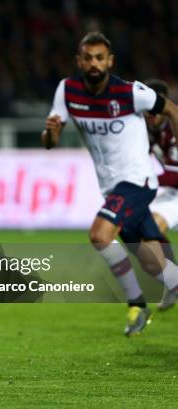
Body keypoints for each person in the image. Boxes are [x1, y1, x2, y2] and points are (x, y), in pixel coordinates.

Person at [42, 31, 178, 336]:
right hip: (110, 186)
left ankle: (136, 304)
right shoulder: (67, 91)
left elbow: (170, 108)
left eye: (100, 58)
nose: (94, 63)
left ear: (110, 61)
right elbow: (50, 140)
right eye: (88, 58)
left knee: (100, 234)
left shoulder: (130, 93)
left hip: (137, 181)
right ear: (79, 60)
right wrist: (50, 132)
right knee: (154, 264)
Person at [143, 78, 178, 310]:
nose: (151, 113)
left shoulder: (174, 128)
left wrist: (149, 183)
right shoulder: (145, 130)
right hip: (172, 194)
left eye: (156, 107)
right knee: (146, 234)